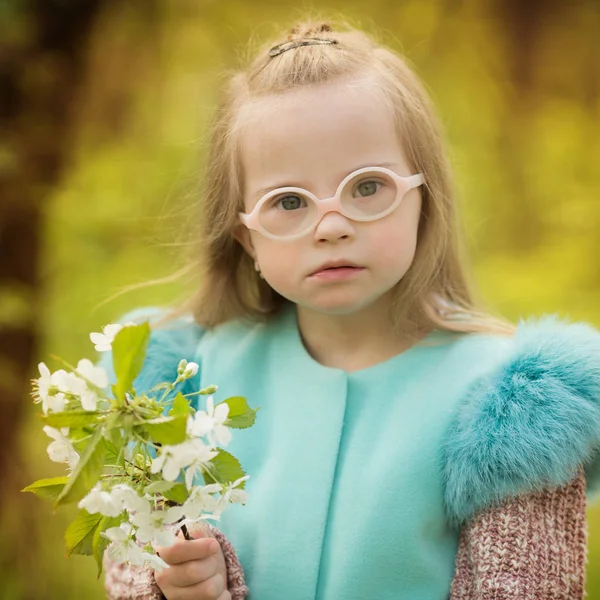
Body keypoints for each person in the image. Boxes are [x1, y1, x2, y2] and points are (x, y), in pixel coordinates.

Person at [102, 18, 600, 600]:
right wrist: (177, 585)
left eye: (367, 187)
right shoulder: (181, 388)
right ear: (246, 238)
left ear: (423, 200)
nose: (332, 226)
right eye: (288, 201)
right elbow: (128, 574)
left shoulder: (510, 408)